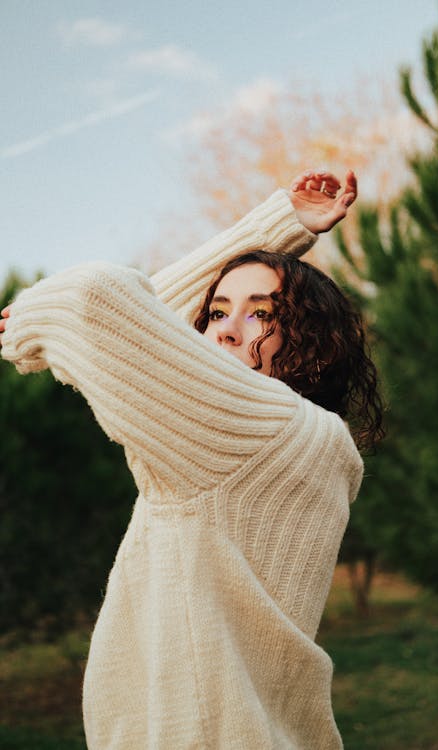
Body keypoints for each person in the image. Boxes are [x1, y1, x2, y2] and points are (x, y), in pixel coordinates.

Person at [0, 168, 383, 749]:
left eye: (262, 313)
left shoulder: (258, 429)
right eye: (216, 312)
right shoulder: (309, 438)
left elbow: (96, 300)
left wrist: (23, 325)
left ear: (314, 344)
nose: (226, 332)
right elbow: (155, 326)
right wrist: (280, 230)